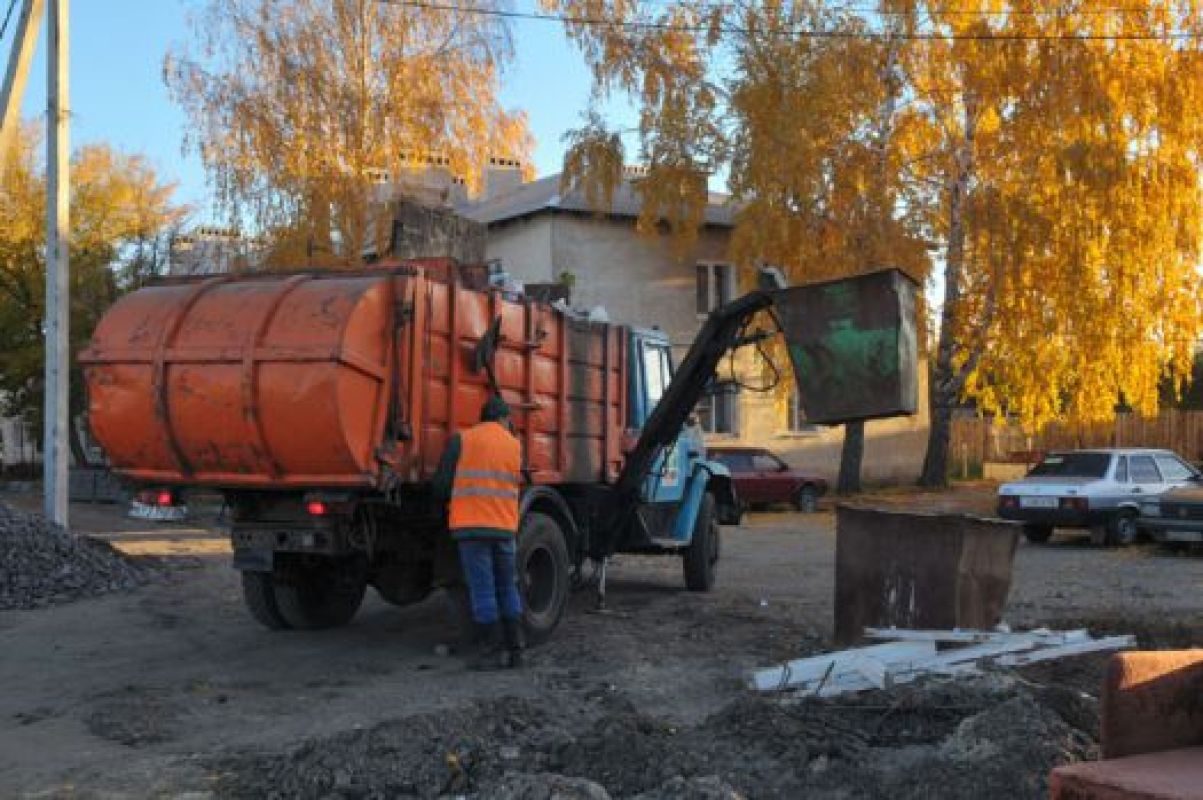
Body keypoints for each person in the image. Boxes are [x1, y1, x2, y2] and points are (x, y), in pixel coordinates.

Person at [433, 395, 526, 670]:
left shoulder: (463, 439)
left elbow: (442, 484)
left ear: (482, 417)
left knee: (483, 590)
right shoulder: (514, 445)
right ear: (503, 418)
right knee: (508, 586)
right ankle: (517, 650)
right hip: (504, 528)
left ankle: (490, 652)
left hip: (472, 527)